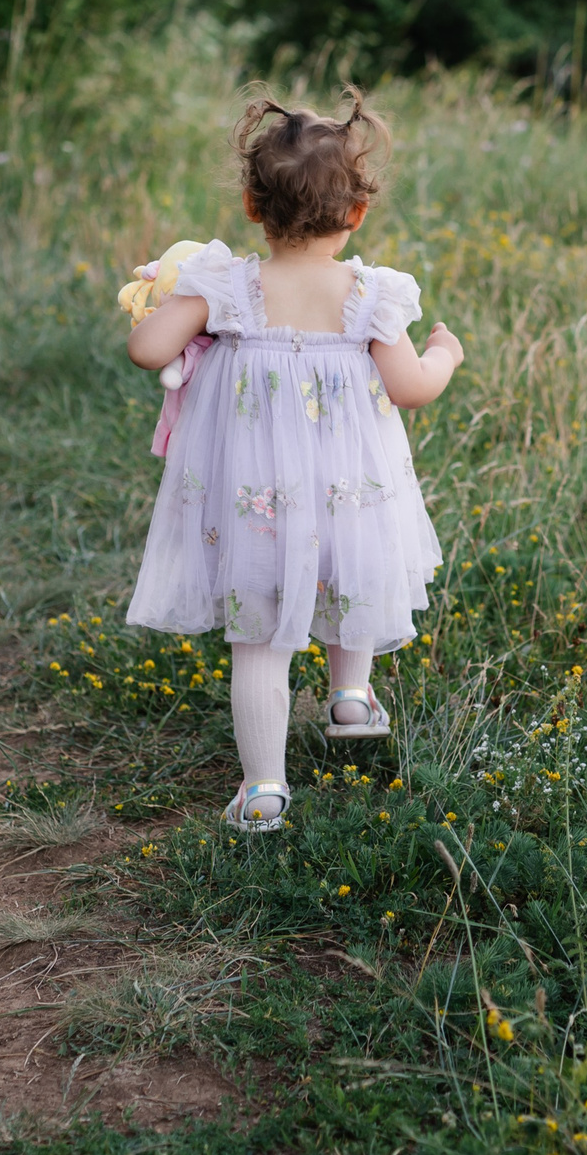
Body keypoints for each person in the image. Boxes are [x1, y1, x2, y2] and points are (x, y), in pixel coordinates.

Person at [123, 88, 465, 831]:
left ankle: (265, 789)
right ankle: (350, 695)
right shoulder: (372, 295)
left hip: (256, 502)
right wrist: (444, 351)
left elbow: (147, 348)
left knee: (258, 640)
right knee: (352, 574)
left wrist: (169, 297)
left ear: (252, 205)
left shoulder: (227, 285)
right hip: (348, 490)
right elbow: (411, 389)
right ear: (357, 212)